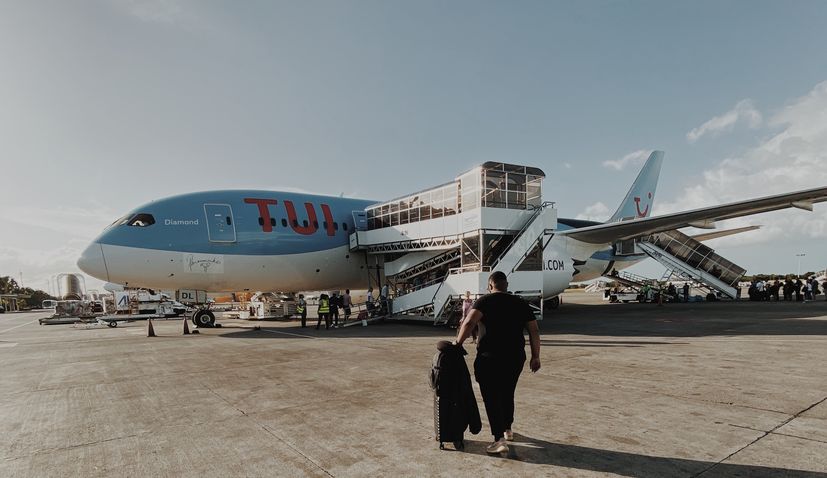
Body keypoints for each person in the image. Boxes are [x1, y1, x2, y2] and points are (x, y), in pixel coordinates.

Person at [455, 271, 541, 455]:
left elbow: (469, 322)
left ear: (490, 285)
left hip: (489, 358)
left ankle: (498, 439)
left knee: (491, 396)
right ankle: (507, 429)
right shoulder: (520, 303)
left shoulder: (484, 301)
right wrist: (536, 356)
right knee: (507, 392)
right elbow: (534, 330)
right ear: (506, 285)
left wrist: (458, 344)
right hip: (515, 357)